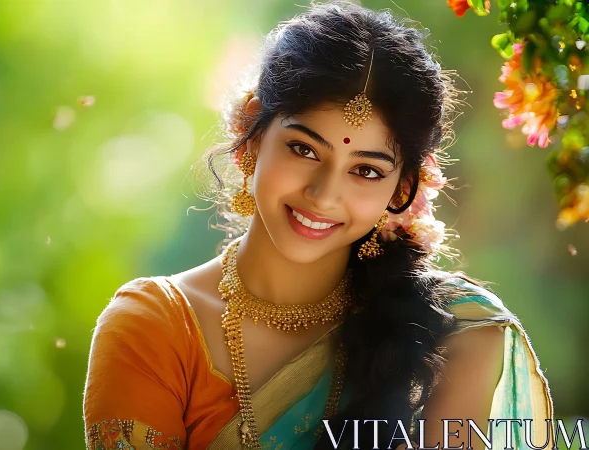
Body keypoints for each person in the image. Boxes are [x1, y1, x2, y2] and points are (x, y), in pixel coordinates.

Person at [82, 1, 555, 449]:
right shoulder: (154, 328)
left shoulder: (457, 332)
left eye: (366, 170)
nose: (324, 195)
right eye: (304, 149)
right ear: (252, 132)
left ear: (402, 187)